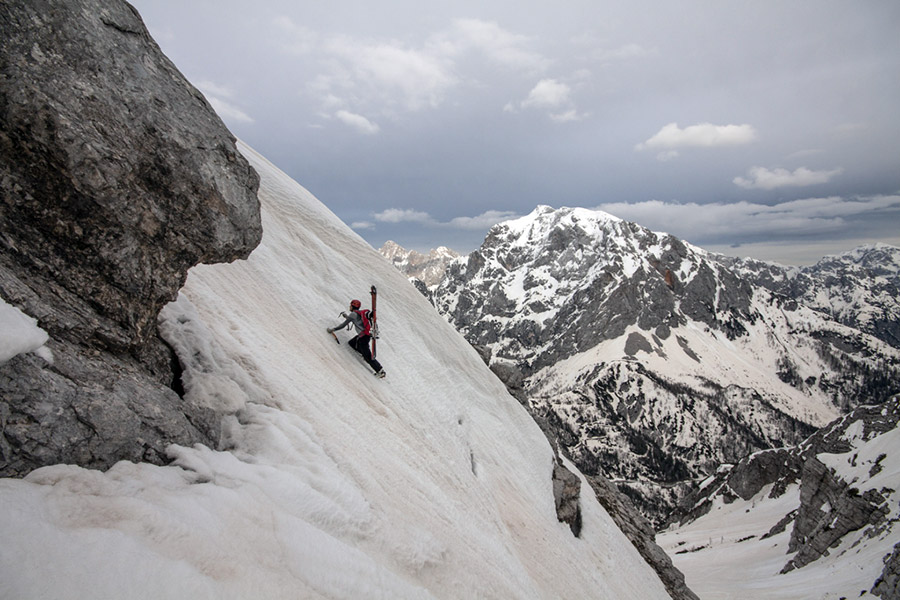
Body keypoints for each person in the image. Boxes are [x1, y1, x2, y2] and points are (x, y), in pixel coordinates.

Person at [327, 299, 385, 378]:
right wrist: (346, 316)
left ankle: (380, 371)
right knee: (352, 343)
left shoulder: (353, 314)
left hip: (363, 338)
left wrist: (333, 330)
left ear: (352, 306)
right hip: (364, 336)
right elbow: (355, 320)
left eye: (350, 305)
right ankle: (362, 352)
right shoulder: (358, 313)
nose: (349, 307)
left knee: (367, 356)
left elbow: (343, 325)